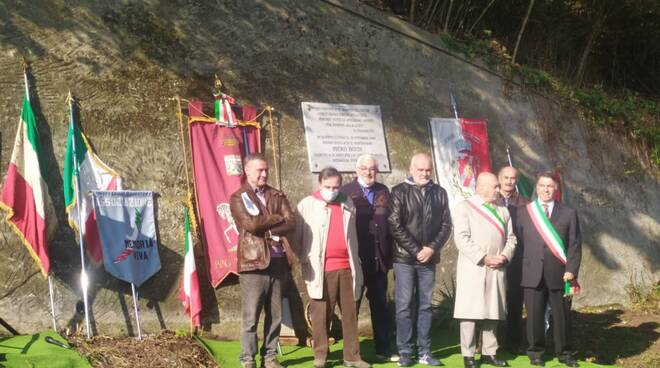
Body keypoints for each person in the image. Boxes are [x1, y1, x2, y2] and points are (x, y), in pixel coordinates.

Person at [293, 167, 370, 368]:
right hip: (321, 270)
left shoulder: (347, 202)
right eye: (328, 186)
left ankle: (352, 357)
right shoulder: (307, 205)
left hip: (347, 267)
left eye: (336, 186)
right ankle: (320, 356)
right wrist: (304, 259)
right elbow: (296, 236)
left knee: (350, 314)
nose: (332, 190)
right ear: (320, 184)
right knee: (320, 315)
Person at [229, 153, 296, 368]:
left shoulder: (277, 194)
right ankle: (247, 359)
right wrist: (277, 219)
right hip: (253, 263)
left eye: (266, 170)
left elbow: (292, 223)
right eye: (259, 170)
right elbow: (250, 225)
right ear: (247, 171)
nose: (264, 174)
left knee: (275, 315)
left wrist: (266, 225)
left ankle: (269, 358)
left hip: (278, 262)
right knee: (251, 317)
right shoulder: (238, 197)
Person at [388, 153, 452, 367]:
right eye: (420, 169)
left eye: (428, 170)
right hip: (404, 258)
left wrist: (431, 248)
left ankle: (424, 351)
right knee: (404, 305)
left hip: (429, 259)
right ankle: (405, 351)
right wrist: (417, 250)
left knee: (425, 306)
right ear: (411, 168)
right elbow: (394, 225)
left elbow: (446, 225)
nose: (424, 174)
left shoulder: (440, 193)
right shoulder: (398, 192)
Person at [516, 172, 581, 367]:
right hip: (532, 272)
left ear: (556, 189)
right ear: (536, 188)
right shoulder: (524, 212)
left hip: (560, 274)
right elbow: (518, 242)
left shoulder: (568, 212)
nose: (546, 189)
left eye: (550, 186)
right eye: (542, 185)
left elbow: (575, 245)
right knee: (534, 316)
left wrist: (572, 270)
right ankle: (536, 352)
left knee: (562, 316)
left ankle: (565, 353)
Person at [453, 172, 516, 368]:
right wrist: (484, 257)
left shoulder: (503, 211)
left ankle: (489, 353)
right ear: (480, 187)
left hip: (497, 268)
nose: (499, 190)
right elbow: (461, 238)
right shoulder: (464, 208)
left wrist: (504, 256)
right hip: (474, 267)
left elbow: (512, 238)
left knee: (493, 312)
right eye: (495, 186)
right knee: (470, 314)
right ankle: (469, 355)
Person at [339, 154, 396, 362]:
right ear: (356, 170)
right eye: (364, 168)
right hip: (355, 259)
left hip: (378, 259)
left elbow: (389, 223)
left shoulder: (383, 190)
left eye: (372, 168)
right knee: (351, 306)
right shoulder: (345, 192)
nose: (368, 172)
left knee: (380, 305)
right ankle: (352, 353)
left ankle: (383, 349)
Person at [496, 166, 529, 350]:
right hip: (494, 257)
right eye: (506, 178)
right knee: (494, 300)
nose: (509, 181)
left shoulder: (525, 203)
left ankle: (514, 341)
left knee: (515, 300)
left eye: (513, 178)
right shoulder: (491, 200)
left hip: (517, 258)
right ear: (499, 179)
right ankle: (491, 341)